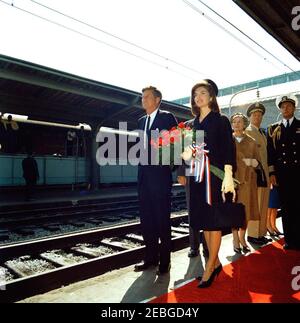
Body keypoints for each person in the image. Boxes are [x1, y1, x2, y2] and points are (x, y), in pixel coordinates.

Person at [177, 80, 236, 288]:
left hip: (215, 177)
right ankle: (216, 262)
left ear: (211, 97)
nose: (198, 97)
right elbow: (188, 152)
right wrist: (183, 157)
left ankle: (210, 267)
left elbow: (228, 149)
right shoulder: (192, 124)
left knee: (214, 221)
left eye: (203, 93)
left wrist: (228, 175)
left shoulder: (221, 121)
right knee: (205, 223)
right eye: (195, 94)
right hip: (197, 178)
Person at [134, 86, 178, 275]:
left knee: (161, 220)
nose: (143, 100)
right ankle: (150, 258)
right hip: (143, 177)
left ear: (157, 99)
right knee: (147, 220)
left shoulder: (167, 118)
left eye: (146, 97)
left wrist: (170, 166)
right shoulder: (141, 120)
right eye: (142, 97)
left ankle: (165, 261)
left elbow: (176, 144)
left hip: (160, 177)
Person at [267, 94, 300, 250]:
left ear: (294, 108)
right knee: (286, 208)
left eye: (289, 105)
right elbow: (271, 153)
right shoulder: (273, 129)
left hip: (298, 173)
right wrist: (272, 173)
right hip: (283, 175)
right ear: (280, 109)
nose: (286, 108)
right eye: (283, 106)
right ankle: (290, 239)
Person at [230, 113, 260, 254]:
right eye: (234, 122)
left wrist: (252, 163)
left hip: (248, 181)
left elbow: (257, 161)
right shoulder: (227, 140)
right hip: (232, 180)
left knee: (246, 211)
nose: (236, 124)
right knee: (234, 211)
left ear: (245, 124)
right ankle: (235, 238)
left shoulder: (252, 141)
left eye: (239, 121)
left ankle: (242, 237)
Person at [245, 103, 272, 246]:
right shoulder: (248, 131)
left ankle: (261, 233)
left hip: (265, 175)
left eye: (260, 115)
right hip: (256, 175)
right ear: (250, 117)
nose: (257, 117)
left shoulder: (262, 132)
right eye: (254, 115)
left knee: (263, 205)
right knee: (256, 205)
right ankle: (253, 234)